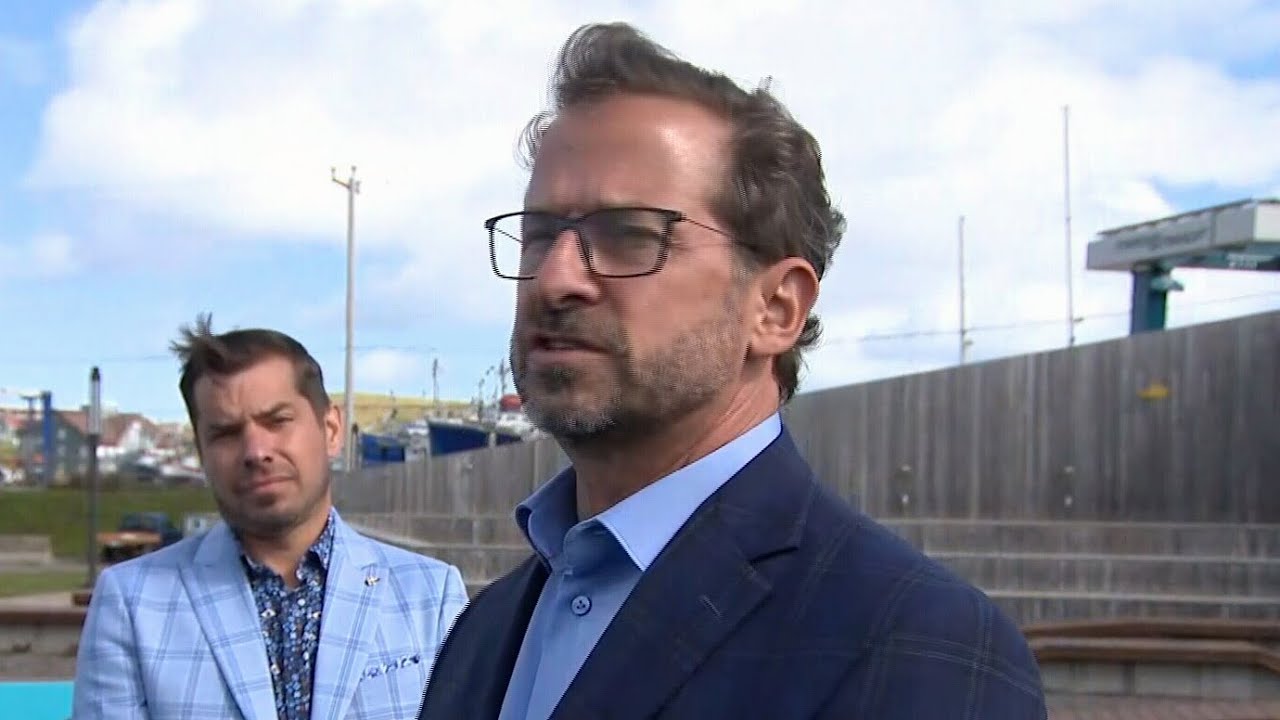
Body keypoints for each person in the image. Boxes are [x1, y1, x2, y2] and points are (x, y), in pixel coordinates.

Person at [418, 22, 1047, 720]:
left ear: (775, 309)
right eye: (540, 235)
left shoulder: (922, 647)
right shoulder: (482, 634)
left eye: (629, 235)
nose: (555, 278)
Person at [73, 315, 468, 720]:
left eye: (277, 421)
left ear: (331, 429)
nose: (256, 451)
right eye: (226, 433)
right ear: (201, 452)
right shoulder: (132, 604)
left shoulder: (431, 595)